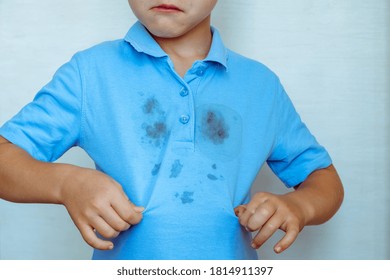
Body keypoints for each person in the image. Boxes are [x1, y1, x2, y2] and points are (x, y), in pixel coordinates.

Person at [0, 0, 344, 260]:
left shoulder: (261, 85)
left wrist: (298, 206)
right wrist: (67, 184)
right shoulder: (90, 73)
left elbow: (323, 180)